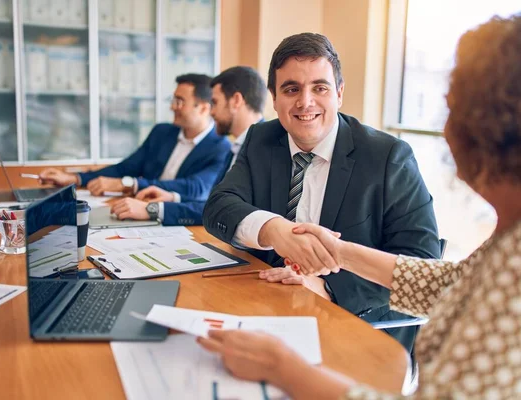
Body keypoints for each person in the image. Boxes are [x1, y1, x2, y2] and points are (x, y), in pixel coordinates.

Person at [198, 9, 521, 399]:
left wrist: (282, 367)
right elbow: (446, 283)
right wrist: (335, 250)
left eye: (452, 108)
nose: (444, 129)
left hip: (355, 338)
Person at [202, 33, 440, 353]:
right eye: (291, 89)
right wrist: (274, 230)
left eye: (320, 87)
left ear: (339, 93)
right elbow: (218, 206)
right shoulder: (261, 138)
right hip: (269, 311)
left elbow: (422, 263)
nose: (305, 102)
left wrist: (327, 286)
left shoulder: (389, 157)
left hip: (353, 328)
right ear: (274, 99)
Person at [110, 66, 266, 225]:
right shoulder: (238, 146)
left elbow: (228, 212)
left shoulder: (264, 149)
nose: (211, 112)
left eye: (214, 102)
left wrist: (154, 209)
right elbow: (215, 204)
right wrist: (173, 197)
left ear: (236, 101)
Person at [38, 74, 230, 202]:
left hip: (178, 221)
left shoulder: (221, 147)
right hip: (138, 210)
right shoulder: (163, 132)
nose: (172, 107)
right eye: (173, 100)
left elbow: (195, 188)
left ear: (204, 108)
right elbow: (125, 168)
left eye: (180, 102)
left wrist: (130, 184)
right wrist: (75, 178)